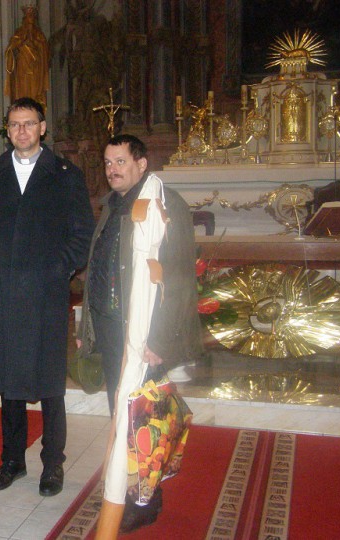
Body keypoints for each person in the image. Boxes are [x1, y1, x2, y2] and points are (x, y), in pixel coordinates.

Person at [0, 97, 95, 497]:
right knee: (10, 380)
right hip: (4, 292)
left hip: (46, 292)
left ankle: (52, 462)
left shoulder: (65, 175)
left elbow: (81, 232)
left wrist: (60, 268)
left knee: (51, 381)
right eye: (15, 124)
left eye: (29, 123)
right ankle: (12, 460)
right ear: (7, 130)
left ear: (42, 128)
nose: (21, 130)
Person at [76, 134, 203, 537]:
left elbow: (178, 278)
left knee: (143, 421)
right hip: (113, 328)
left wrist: (160, 340)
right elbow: (99, 268)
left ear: (142, 164)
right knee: (122, 414)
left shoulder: (165, 204)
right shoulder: (112, 205)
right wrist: (88, 326)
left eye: (121, 161)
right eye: (107, 162)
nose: (112, 169)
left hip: (143, 332)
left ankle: (145, 499)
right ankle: (129, 486)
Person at [4, 5, 50, 107]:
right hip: (22, 68)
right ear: (24, 18)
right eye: (28, 17)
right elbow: (10, 50)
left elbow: (45, 53)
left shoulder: (39, 35)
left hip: (35, 69)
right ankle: (21, 107)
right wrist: (20, 43)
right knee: (22, 92)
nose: (30, 20)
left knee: (34, 93)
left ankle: (34, 108)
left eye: (32, 17)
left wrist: (35, 44)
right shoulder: (19, 33)